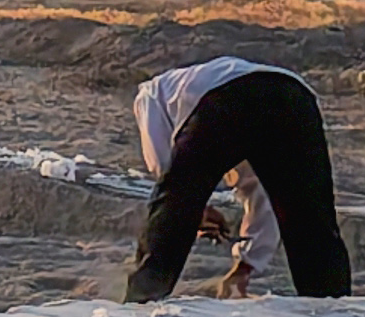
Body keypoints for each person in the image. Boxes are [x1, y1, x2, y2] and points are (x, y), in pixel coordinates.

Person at [126, 57, 352, 302]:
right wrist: (245, 268)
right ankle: (331, 303)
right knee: (308, 215)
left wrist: (195, 209)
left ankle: (143, 298)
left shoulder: (150, 93)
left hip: (226, 98)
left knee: (175, 203)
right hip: (295, 98)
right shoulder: (199, 90)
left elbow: (166, 172)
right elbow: (262, 196)